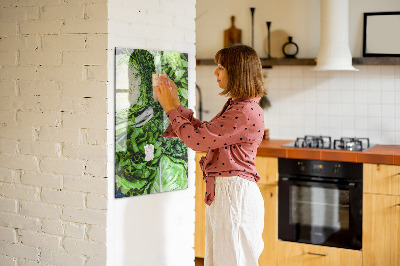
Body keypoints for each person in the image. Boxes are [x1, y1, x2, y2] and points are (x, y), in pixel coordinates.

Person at [154, 44, 266, 266]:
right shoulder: (239, 106)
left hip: (234, 195)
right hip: (229, 193)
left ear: (237, 72)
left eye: (221, 67)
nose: (215, 72)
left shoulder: (243, 111)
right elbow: (204, 133)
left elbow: (197, 141)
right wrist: (175, 104)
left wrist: (169, 108)